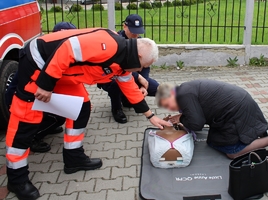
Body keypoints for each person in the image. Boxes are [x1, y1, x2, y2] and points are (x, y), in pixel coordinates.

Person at [6, 28, 171, 200]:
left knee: (81, 107)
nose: (142, 69)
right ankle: (16, 178)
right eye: (143, 66)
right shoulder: (107, 45)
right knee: (25, 121)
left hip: (61, 71)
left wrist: (150, 116)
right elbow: (66, 49)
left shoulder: (123, 63)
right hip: (38, 64)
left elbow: (130, 88)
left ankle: (73, 158)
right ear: (138, 57)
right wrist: (46, 85)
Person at [155, 79, 268, 162]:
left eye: (167, 104)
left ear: (172, 93)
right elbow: (198, 112)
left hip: (236, 111)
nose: (170, 109)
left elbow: (197, 124)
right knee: (213, 141)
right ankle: (257, 135)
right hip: (240, 103)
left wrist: (184, 119)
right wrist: (183, 117)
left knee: (232, 152)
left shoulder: (184, 95)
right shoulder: (184, 90)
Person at [5, 22, 77, 153]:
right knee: (60, 116)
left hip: (30, 97)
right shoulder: (44, 57)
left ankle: (45, 125)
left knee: (69, 109)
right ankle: (33, 137)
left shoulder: (51, 52)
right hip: (22, 102)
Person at [98, 14, 159, 124]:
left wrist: (143, 84)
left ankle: (127, 100)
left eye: (138, 31)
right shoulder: (116, 42)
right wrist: (138, 76)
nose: (135, 34)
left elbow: (145, 67)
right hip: (111, 77)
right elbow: (117, 69)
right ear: (124, 26)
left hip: (132, 77)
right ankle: (116, 108)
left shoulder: (142, 44)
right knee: (116, 84)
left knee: (156, 88)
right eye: (133, 31)